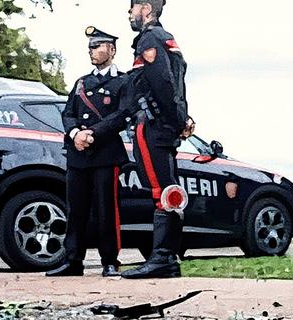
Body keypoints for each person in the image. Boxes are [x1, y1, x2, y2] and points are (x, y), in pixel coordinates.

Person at [83, 0, 189, 279]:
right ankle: (167, 258)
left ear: (145, 8)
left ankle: (163, 259)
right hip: (165, 124)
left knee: (160, 191)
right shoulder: (167, 39)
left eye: (132, 8)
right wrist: (181, 118)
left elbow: (163, 83)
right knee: (169, 190)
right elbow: (178, 83)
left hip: (152, 125)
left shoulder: (150, 38)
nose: (129, 14)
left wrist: (174, 119)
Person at [46, 26, 128, 277]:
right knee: (76, 209)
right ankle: (73, 260)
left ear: (111, 50)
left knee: (106, 210)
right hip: (78, 153)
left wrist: (92, 134)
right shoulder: (82, 82)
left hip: (105, 154)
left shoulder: (123, 81)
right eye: (90, 47)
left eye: (97, 46)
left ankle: (110, 261)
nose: (91, 51)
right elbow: (68, 113)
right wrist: (75, 134)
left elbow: (122, 115)